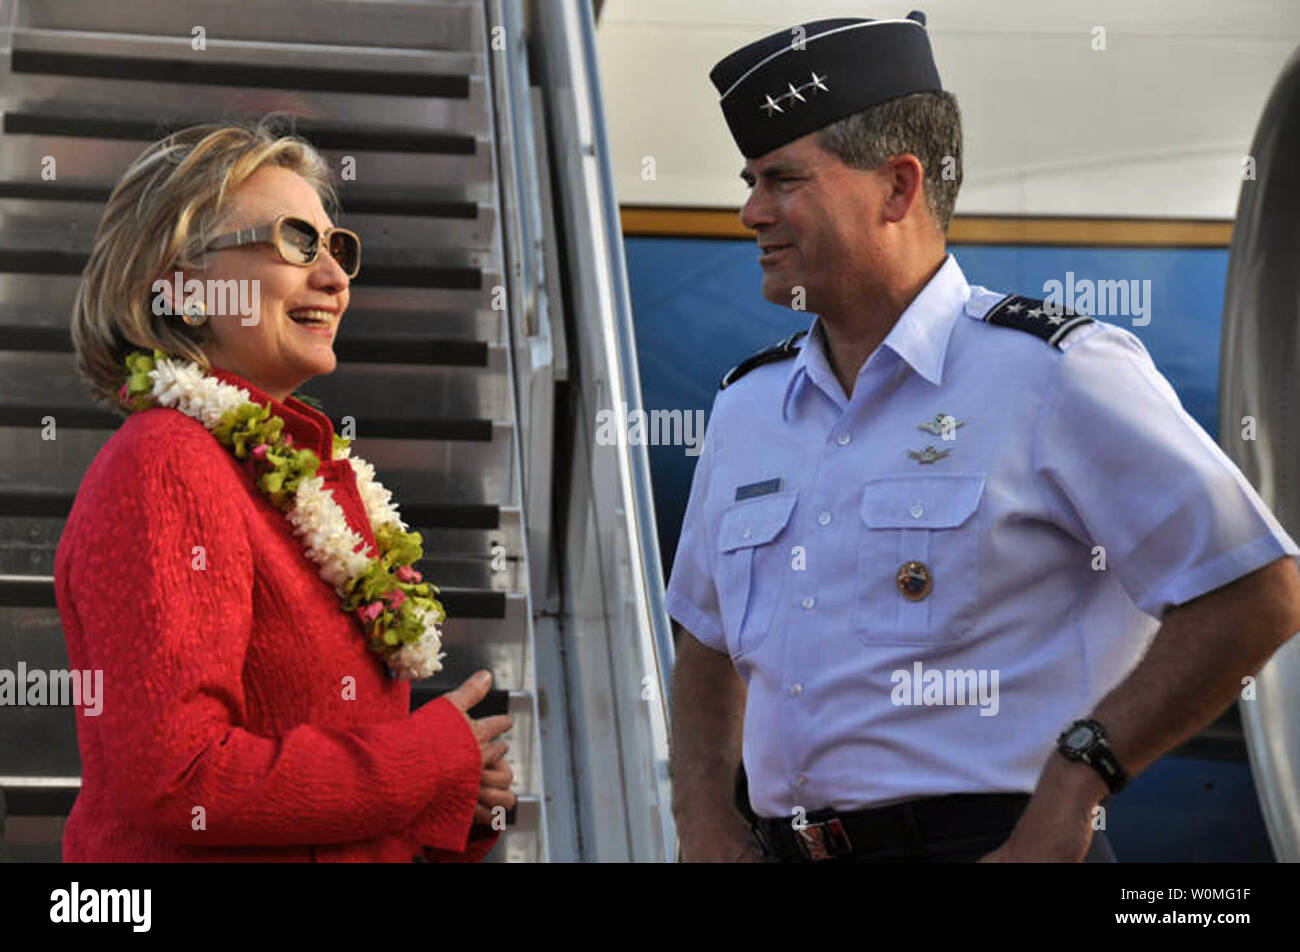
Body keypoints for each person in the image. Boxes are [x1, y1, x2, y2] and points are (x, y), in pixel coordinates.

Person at [667, 12, 1300, 863]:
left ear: (897, 187)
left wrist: (1077, 784)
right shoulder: (750, 405)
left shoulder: (1054, 373)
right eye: (749, 180)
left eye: (782, 180)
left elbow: (1256, 588)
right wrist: (704, 820)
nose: (750, 212)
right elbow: (704, 638)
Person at [56, 119, 515, 861]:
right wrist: (428, 758)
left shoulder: (290, 470)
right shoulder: (165, 461)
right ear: (182, 286)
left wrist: (452, 800)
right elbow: (183, 781)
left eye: (338, 248)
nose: (335, 276)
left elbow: (314, 779)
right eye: (296, 241)